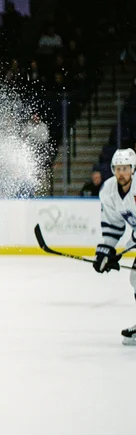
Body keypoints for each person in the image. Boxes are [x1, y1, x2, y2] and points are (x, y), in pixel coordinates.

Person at [93, 148, 136, 346]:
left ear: (133, 169)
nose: (121, 173)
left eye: (126, 168)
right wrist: (106, 251)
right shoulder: (109, 191)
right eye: (118, 168)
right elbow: (112, 226)